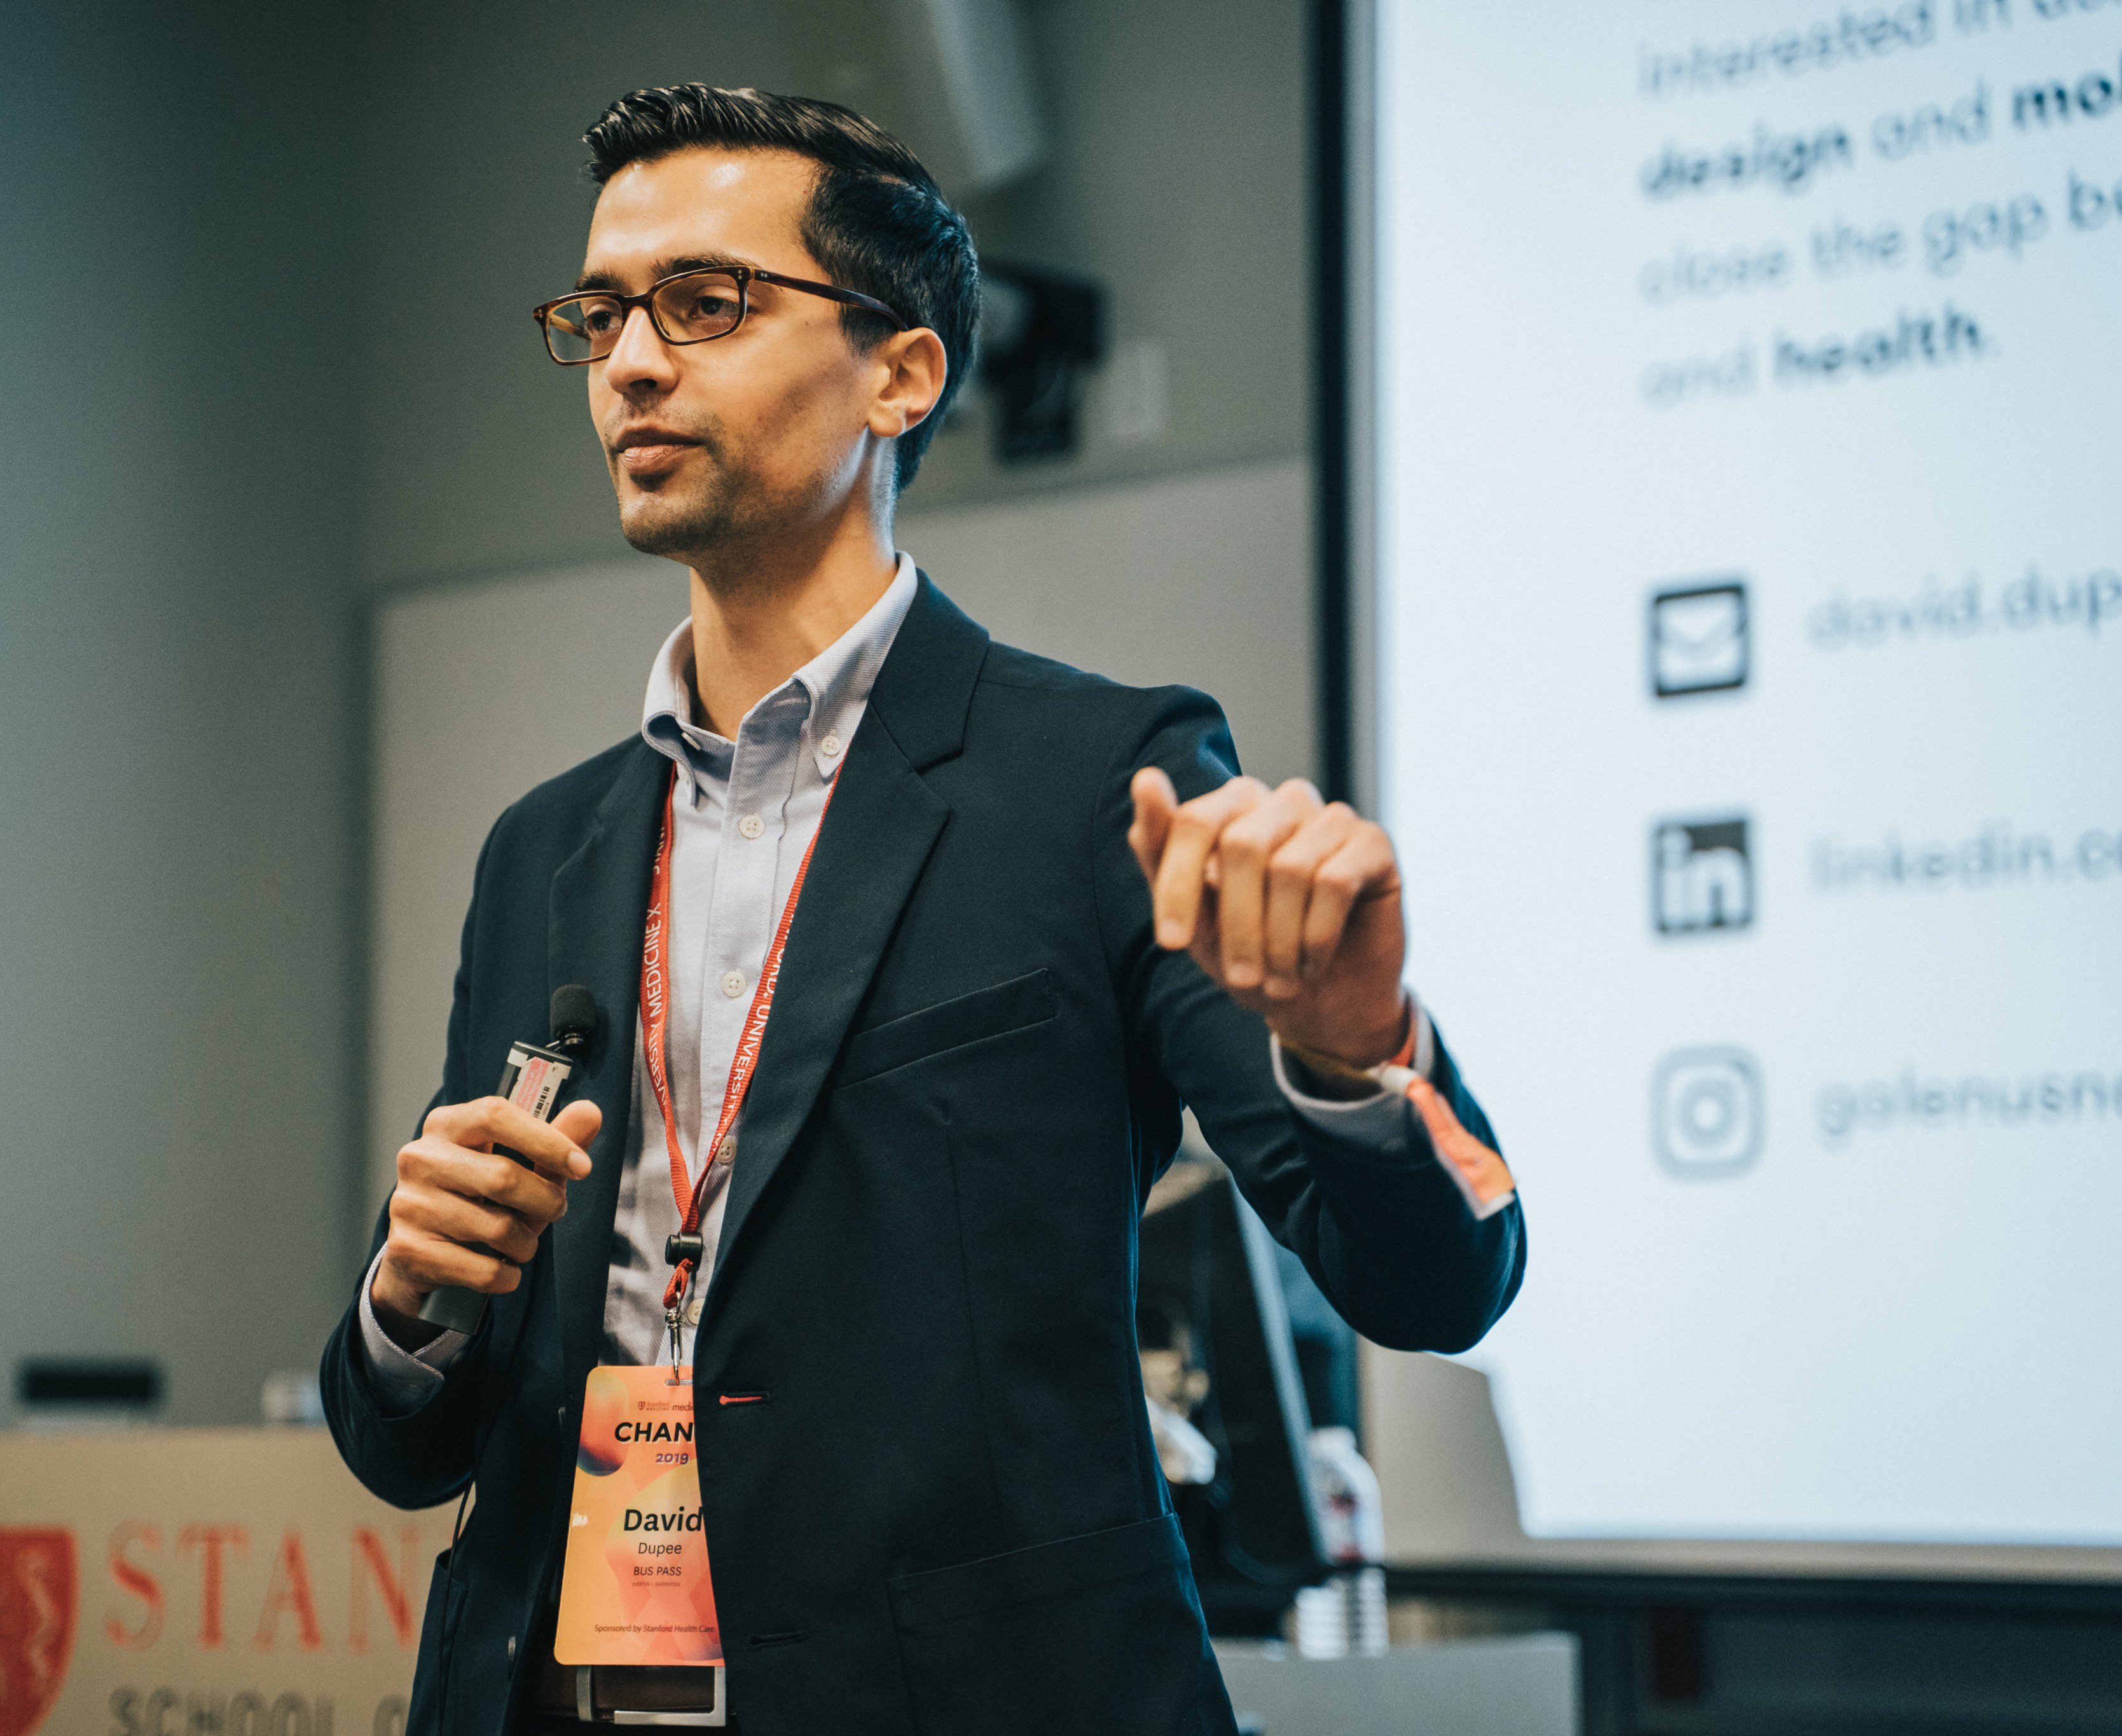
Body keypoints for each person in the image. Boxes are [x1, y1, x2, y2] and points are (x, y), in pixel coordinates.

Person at [321, 84, 1525, 1735]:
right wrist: (409, 1301)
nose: (631, 363)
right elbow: (404, 1441)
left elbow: (1439, 1284)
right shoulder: (545, 852)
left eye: (704, 302)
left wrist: (1351, 1044)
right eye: (600, 315)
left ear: (904, 369)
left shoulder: (1102, 783)